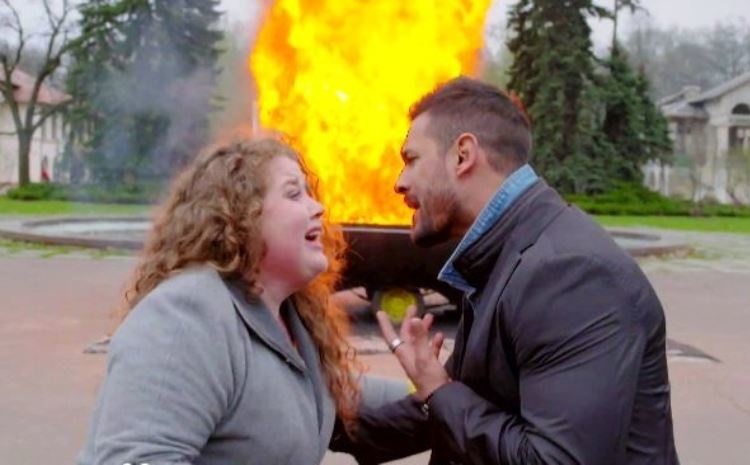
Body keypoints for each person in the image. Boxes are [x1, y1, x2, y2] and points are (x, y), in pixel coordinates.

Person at [331, 77, 679, 464]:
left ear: (463, 156)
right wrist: (319, 420)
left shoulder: (569, 273)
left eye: (411, 160)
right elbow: (455, 409)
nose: (400, 182)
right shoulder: (505, 256)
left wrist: (439, 392)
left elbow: (554, 460)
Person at [77, 138, 365, 465]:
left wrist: (418, 387)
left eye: (309, 193)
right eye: (293, 193)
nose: (318, 208)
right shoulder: (185, 316)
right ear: (241, 217)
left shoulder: (292, 317)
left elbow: (347, 391)